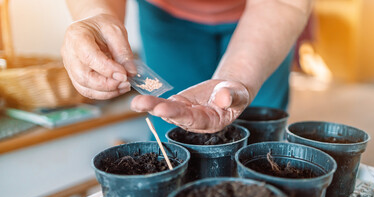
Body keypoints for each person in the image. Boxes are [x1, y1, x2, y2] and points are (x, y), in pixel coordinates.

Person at [61, 0, 312, 139]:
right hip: (165, 15)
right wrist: (94, 15)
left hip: (268, 18)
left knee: (259, 134)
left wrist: (239, 76)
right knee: (173, 127)